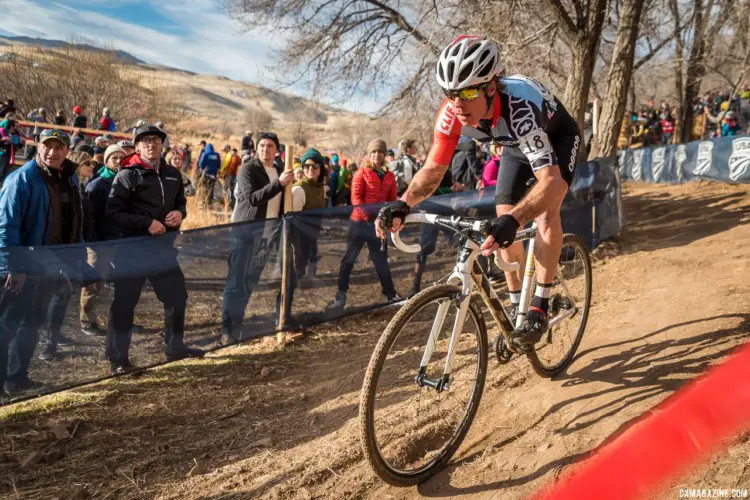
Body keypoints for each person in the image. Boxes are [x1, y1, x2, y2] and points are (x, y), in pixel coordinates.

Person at [377, 36, 582, 347]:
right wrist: (404, 203)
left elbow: (551, 181)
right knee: (500, 223)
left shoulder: (519, 108)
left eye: (468, 92)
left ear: (490, 87)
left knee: (544, 214)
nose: (457, 104)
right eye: (450, 93)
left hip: (556, 139)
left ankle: (540, 303)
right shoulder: (451, 112)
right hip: (515, 146)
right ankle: (517, 309)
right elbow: (434, 168)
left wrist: (517, 217)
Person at [105, 125, 204, 375]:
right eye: (146, 140)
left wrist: (180, 213)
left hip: (163, 249)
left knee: (177, 297)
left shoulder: (172, 174)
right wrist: (146, 223)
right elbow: (113, 213)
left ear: (162, 145)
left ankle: (175, 347)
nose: (151, 144)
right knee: (125, 304)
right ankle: (118, 359)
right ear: (137, 146)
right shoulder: (127, 175)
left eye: (156, 140)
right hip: (132, 250)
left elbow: (181, 202)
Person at [0, 129, 85, 398]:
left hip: (50, 267)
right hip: (20, 269)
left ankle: (16, 378)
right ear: (38, 146)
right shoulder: (21, 179)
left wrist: (72, 264)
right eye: (47, 146)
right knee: (6, 326)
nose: (52, 151)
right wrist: (15, 267)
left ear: (67, 151)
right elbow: (6, 227)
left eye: (58, 147)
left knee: (32, 324)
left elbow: (74, 224)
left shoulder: (68, 178)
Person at [221, 132, 295, 344]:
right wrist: (279, 184)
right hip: (244, 234)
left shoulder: (280, 171)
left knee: (249, 282)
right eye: (261, 145)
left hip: (267, 237)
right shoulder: (248, 169)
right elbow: (252, 199)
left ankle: (238, 324)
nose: (265, 149)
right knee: (235, 282)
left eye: (269, 146)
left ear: (276, 150)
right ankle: (226, 330)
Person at [327, 139, 402, 310]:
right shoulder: (361, 173)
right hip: (359, 223)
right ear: (369, 154)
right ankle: (340, 295)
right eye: (374, 152)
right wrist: (368, 217)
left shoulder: (389, 176)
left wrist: (386, 218)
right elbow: (356, 198)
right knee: (349, 260)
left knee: (381, 260)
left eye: (380, 152)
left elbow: (392, 199)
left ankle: (391, 295)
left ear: (384, 155)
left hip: (379, 225)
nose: (377, 155)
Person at [79, 145, 125, 337]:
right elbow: (89, 217)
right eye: (114, 158)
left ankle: (121, 321)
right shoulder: (96, 185)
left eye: (122, 158)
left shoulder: (127, 182)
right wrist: (94, 242)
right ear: (106, 161)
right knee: (93, 283)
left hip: (121, 240)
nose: (118, 162)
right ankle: (86, 321)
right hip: (99, 242)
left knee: (123, 283)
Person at [291, 148, 327, 286]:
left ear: (321, 168)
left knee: (312, 257)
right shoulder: (299, 189)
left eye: (315, 165)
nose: (310, 169)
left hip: (313, 231)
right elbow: (294, 221)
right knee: (300, 262)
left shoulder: (321, 187)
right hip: (300, 235)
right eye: (306, 165)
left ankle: (307, 278)